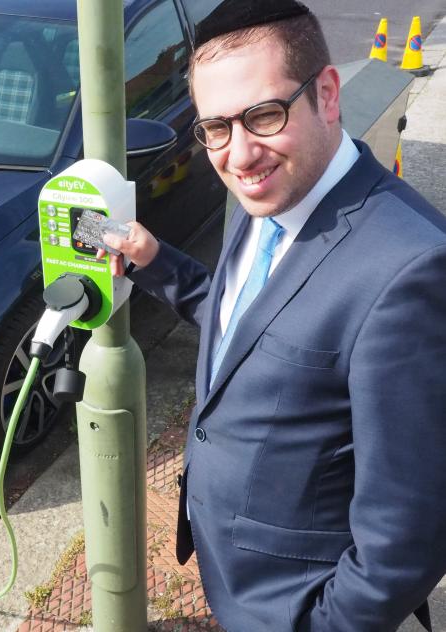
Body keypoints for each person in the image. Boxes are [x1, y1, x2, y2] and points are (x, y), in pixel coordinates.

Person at [100, 1, 446, 630]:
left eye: (263, 115)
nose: (239, 155)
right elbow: (250, 329)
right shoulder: (269, 200)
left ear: (328, 94)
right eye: (216, 128)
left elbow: (408, 534)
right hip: (232, 577)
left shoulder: (412, 270)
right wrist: (155, 262)